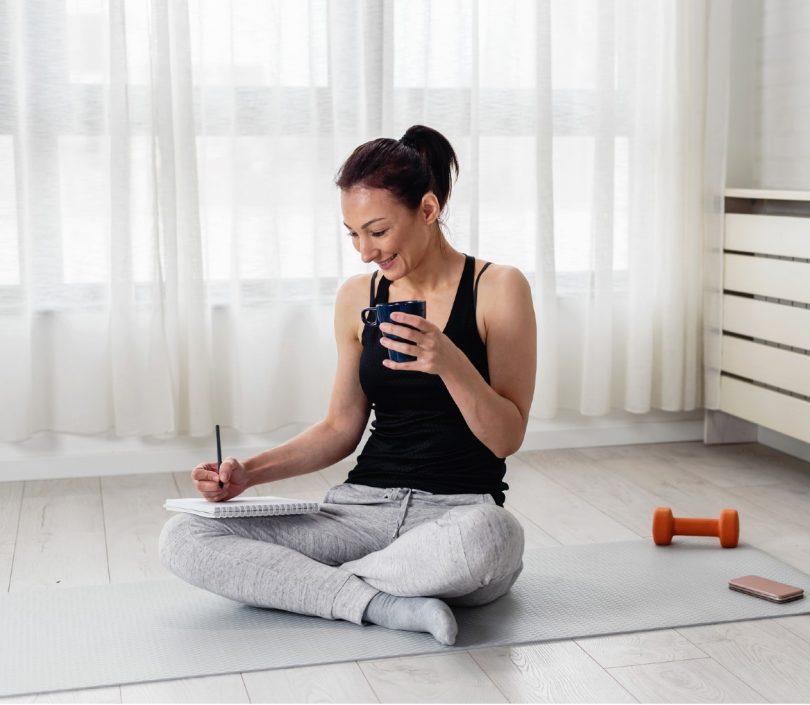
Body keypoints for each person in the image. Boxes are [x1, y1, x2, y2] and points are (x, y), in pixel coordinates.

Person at [158, 124, 537, 646]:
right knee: (185, 536)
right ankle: (379, 601)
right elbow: (340, 427)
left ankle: (314, 587)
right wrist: (247, 473)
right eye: (353, 234)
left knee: (496, 539)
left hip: (456, 515)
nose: (364, 251)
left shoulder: (499, 288)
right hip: (358, 510)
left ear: (427, 210)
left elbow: (506, 437)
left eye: (377, 231)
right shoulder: (357, 296)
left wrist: (448, 360)